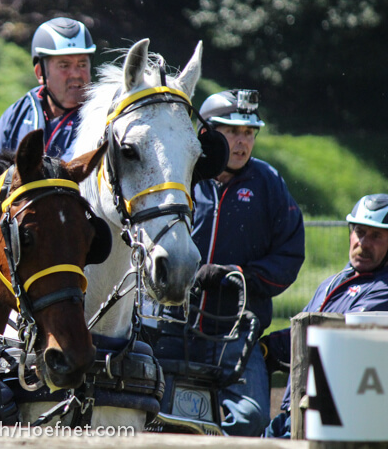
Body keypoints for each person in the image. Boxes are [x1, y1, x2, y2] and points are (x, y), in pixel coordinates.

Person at [150, 89, 305, 436]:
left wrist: (238, 276)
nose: (242, 142)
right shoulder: (179, 176)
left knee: (251, 419)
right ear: (205, 134)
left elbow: (291, 255)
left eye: (249, 133)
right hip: (169, 327)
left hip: (236, 332)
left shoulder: (269, 183)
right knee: (150, 412)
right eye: (232, 131)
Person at [262, 193, 388, 438]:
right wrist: (269, 348)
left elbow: (338, 341)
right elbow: (305, 331)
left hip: (334, 420)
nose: (363, 243)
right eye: (359, 232)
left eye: (376, 236)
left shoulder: (383, 290)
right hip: (296, 411)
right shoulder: (333, 282)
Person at [0, 17, 95, 164]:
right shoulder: (19, 112)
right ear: (40, 73)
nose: (76, 74)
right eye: (64, 65)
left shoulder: (101, 117)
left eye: (82, 64)